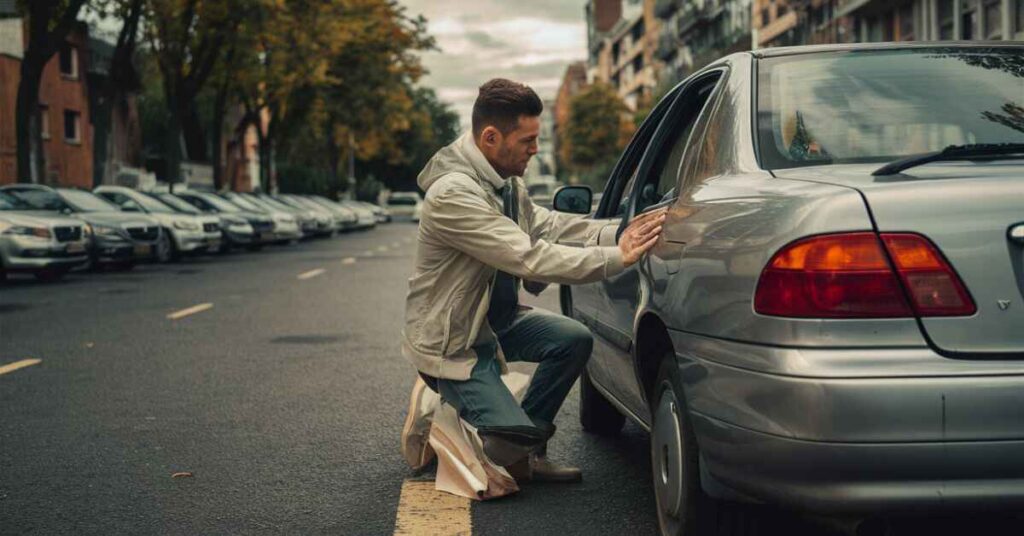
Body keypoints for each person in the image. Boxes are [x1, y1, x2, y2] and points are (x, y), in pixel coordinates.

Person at [401, 78, 665, 483]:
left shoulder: (504, 182)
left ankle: (528, 452)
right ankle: (440, 407)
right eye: (527, 140)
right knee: (507, 441)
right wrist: (618, 258)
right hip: (453, 341)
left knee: (573, 339)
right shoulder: (453, 195)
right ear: (490, 137)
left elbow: (547, 224)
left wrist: (620, 232)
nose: (535, 149)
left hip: (495, 323)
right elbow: (529, 256)